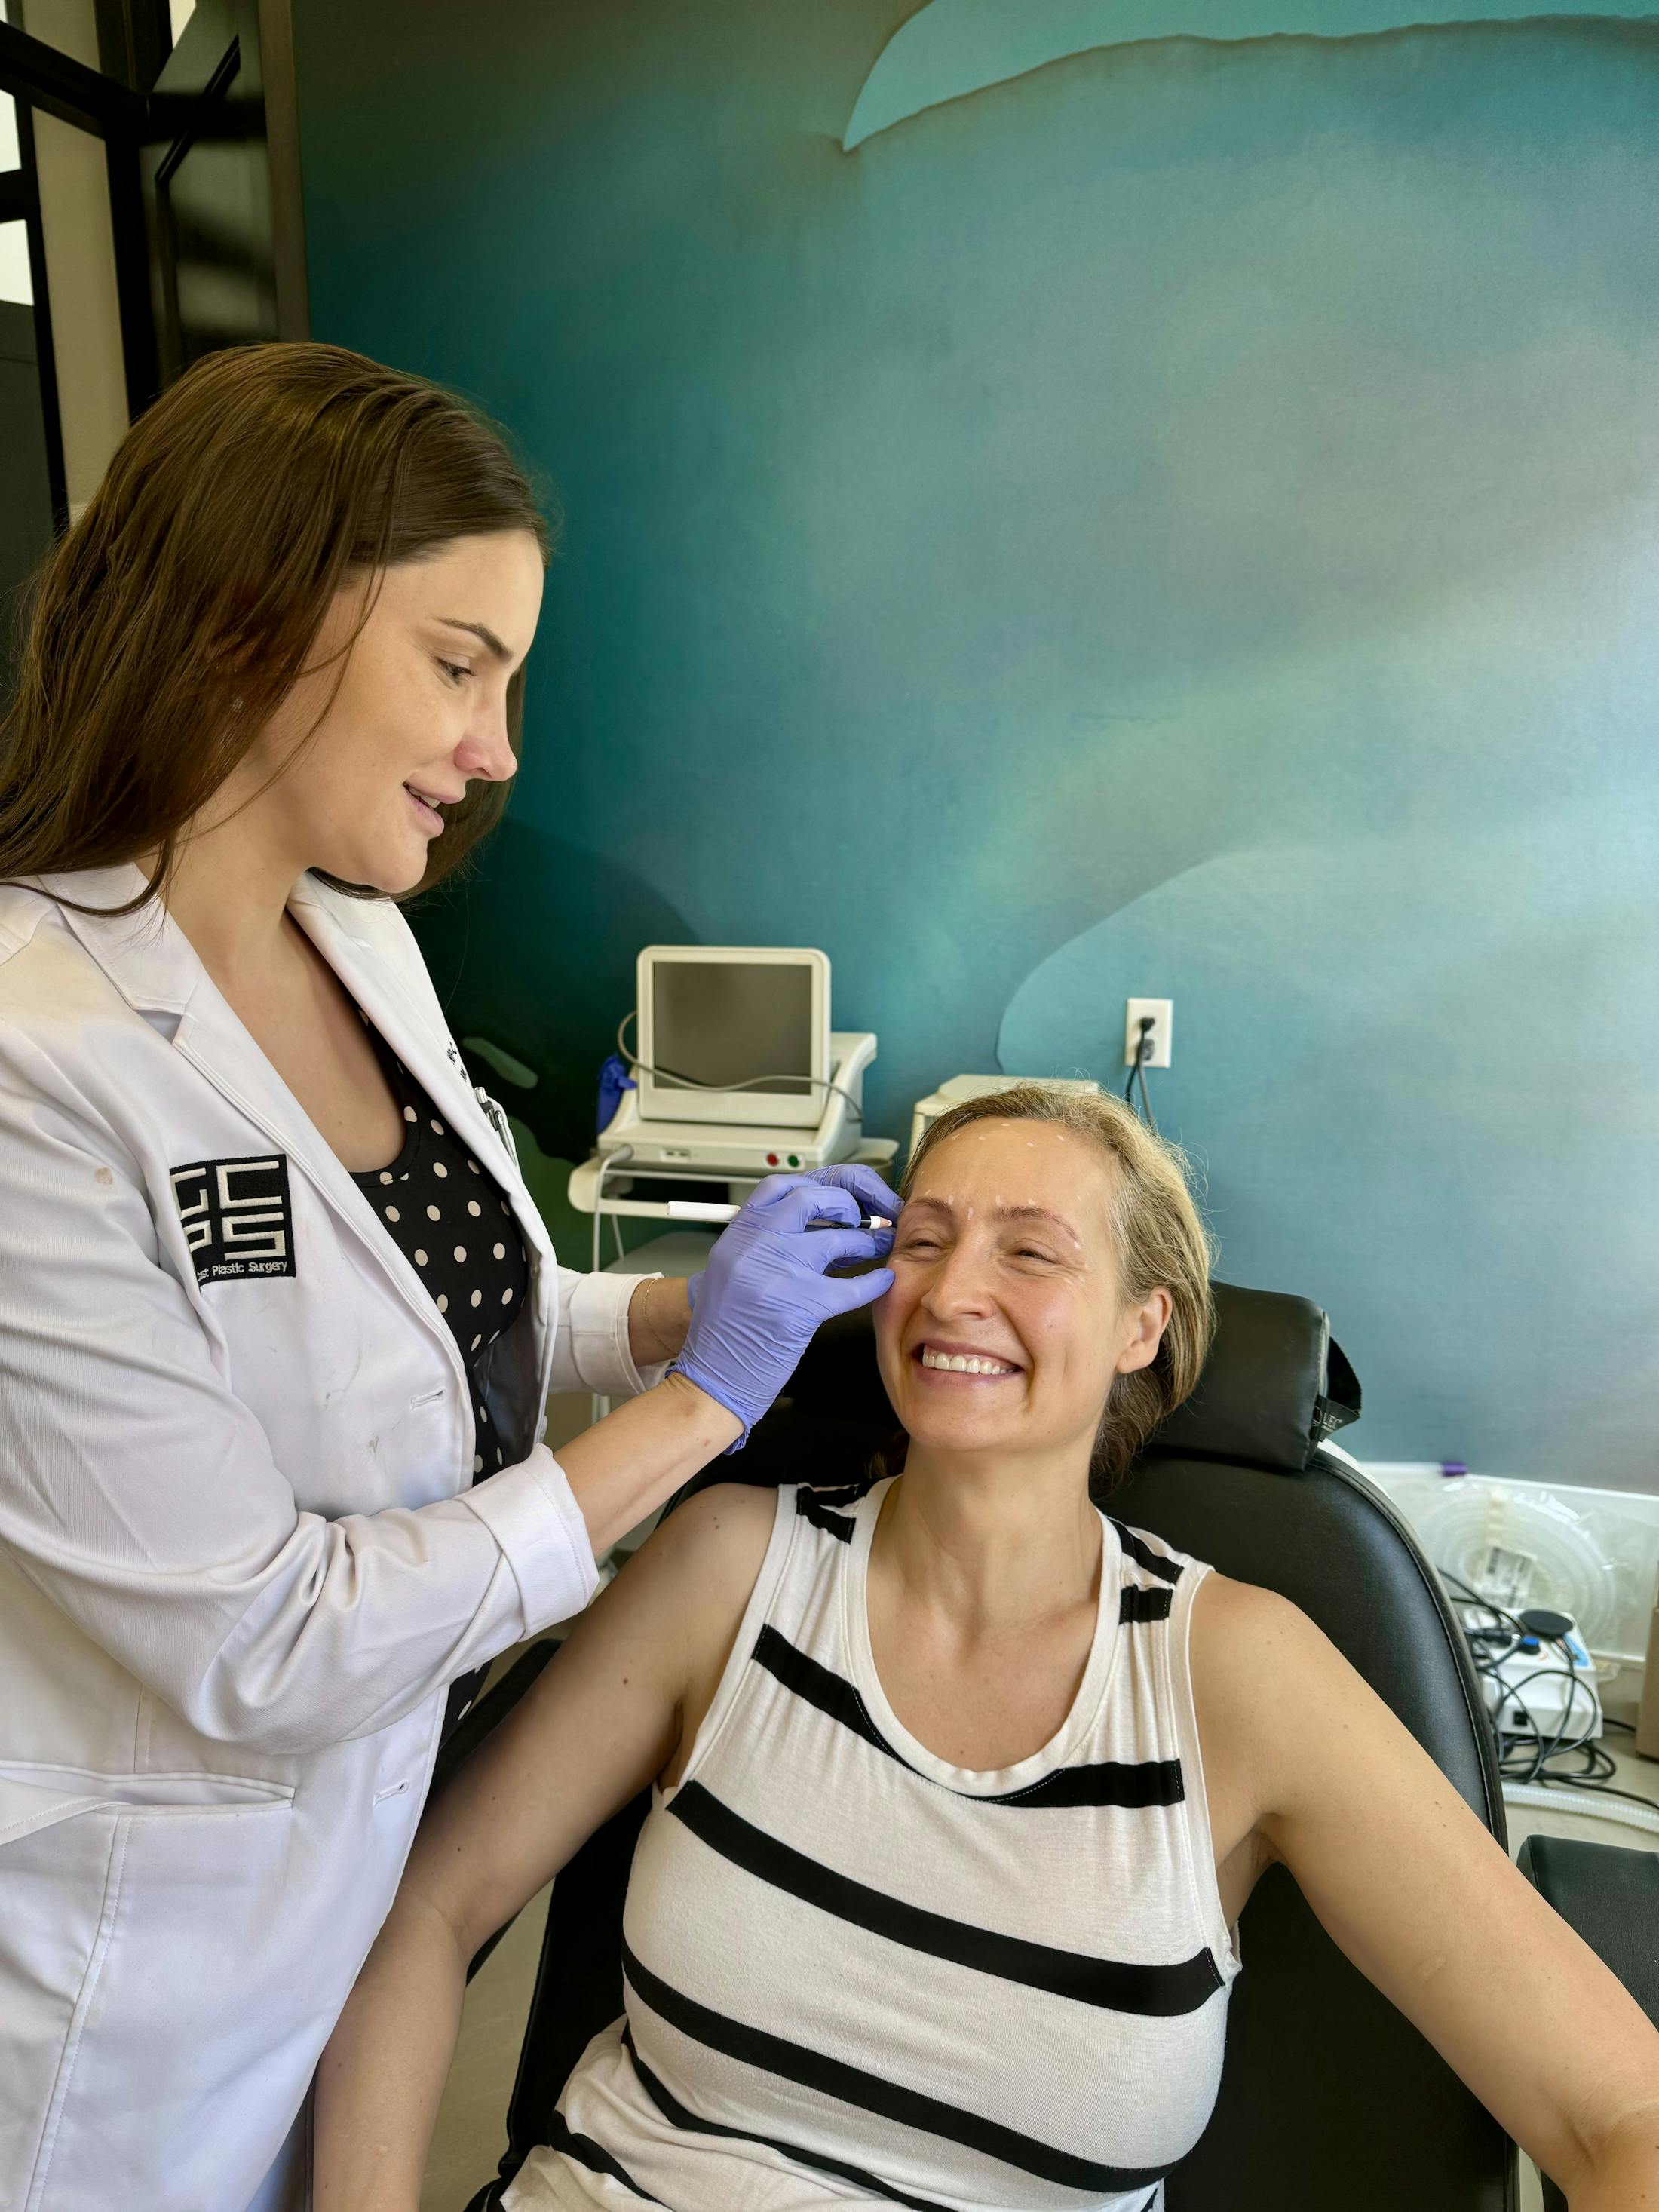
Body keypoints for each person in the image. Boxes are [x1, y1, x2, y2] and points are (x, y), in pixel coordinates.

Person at [0, 341, 900, 2212]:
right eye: (459, 663)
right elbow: (260, 1639)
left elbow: (428, 1331)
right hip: (120, 1989)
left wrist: (661, 1305)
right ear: (253, 619)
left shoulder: (356, 939)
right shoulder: (36, 1061)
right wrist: (697, 1407)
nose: (497, 750)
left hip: (349, 1894)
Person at [316, 1083, 1659, 2211]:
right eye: (926, 1237)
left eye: (1030, 1250)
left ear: (1145, 1323)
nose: (955, 1291)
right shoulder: (730, 1562)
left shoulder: (1240, 1675)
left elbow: (1619, 2111)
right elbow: (426, 1910)